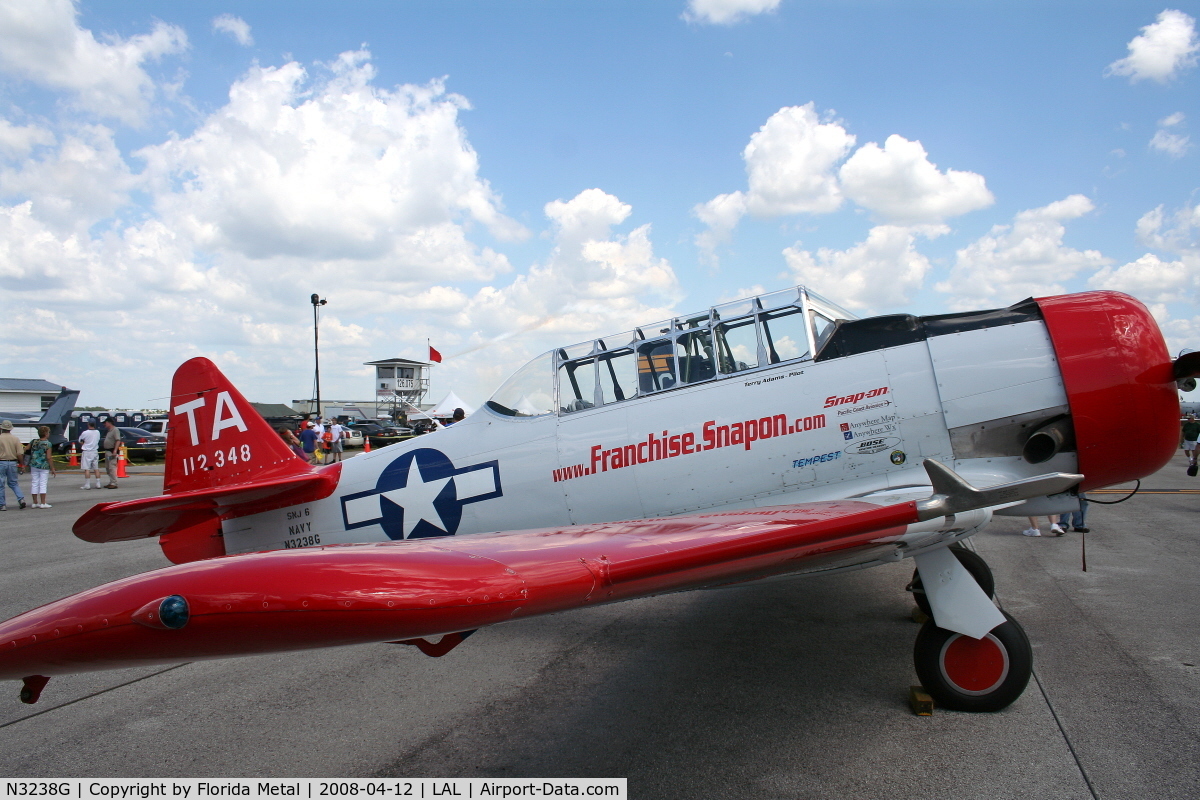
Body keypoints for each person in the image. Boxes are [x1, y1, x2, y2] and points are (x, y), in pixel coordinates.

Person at [26, 425, 57, 508]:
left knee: (34, 483)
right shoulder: (48, 444)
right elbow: (49, 457)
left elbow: (26, 449)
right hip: (44, 466)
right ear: (46, 434)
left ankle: (35, 502)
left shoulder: (34, 441)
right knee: (43, 483)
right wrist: (52, 468)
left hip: (33, 464)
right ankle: (43, 503)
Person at [0, 419, 27, 510]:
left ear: (1, 428)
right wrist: (22, 464)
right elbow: (20, 453)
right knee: (13, 483)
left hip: (1, 462)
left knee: (1, 484)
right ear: (10, 429)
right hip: (12, 462)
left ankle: (2, 504)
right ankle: (21, 499)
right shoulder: (15, 439)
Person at [79, 420, 101, 489]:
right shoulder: (97, 432)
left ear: (88, 424)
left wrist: (84, 444)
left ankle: (87, 484)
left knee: (87, 469)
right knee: (96, 468)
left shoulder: (85, 433)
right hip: (95, 451)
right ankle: (98, 483)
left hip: (87, 451)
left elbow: (80, 440)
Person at [101, 418, 121, 489]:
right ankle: (111, 481)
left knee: (112, 467)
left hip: (112, 451)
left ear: (109, 422)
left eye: (105, 423)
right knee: (108, 468)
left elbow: (118, 440)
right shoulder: (109, 431)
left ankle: (114, 482)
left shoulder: (115, 430)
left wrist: (115, 450)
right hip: (107, 451)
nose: (104, 424)